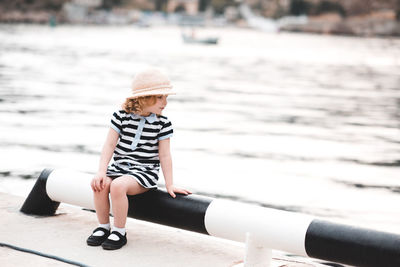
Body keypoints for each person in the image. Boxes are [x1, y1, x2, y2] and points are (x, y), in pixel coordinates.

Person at [86, 68, 191, 250]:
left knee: (118, 186)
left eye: (166, 97)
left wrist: (169, 184)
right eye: (160, 97)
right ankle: (103, 227)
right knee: (100, 184)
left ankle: (119, 231)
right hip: (119, 168)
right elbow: (109, 145)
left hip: (144, 173)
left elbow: (165, 155)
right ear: (144, 98)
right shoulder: (121, 116)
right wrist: (101, 171)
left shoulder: (162, 123)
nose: (165, 102)